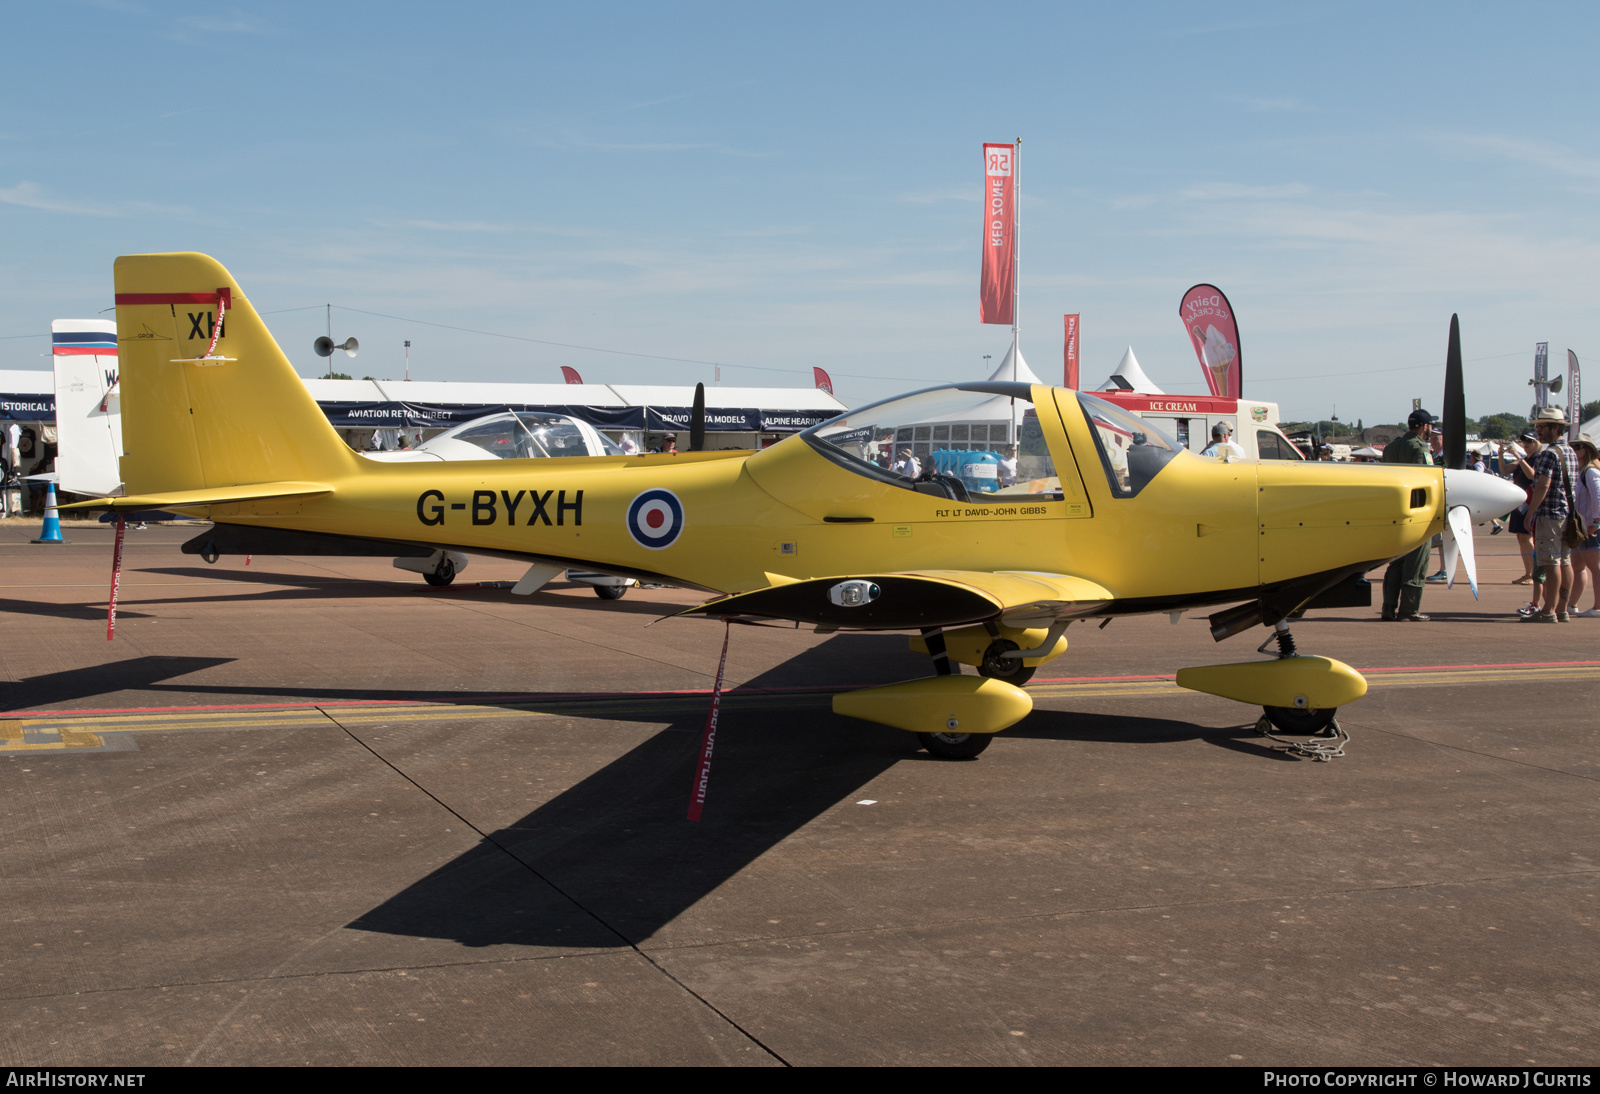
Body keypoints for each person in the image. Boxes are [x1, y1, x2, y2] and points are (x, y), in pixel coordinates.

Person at [1521, 406, 1580, 623]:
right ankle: (1562, 608)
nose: (1539, 431)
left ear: (1554, 428)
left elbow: (1542, 485)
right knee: (1565, 561)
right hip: (1566, 514)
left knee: (1551, 562)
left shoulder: (1548, 454)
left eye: (1543, 427)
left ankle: (1549, 610)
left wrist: (1531, 513)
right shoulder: (1571, 452)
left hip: (1549, 515)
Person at [1380, 407, 1435, 621]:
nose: (1431, 429)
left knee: (1396, 562)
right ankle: (1409, 609)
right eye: (1429, 425)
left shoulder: (1391, 448)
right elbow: (1425, 481)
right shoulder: (1420, 449)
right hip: (1417, 513)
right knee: (1417, 563)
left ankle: (1388, 606)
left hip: (1396, 513)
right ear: (1423, 427)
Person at [1567, 432, 1600, 617]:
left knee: (1595, 567)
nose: (1573, 449)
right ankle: (1572, 605)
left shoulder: (1590, 472)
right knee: (1577, 566)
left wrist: (1597, 521)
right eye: (1572, 446)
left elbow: (1598, 497)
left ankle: (1598, 606)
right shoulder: (1579, 472)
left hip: (1590, 527)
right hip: (1580, 529)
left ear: (1587, 450)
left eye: (1577, 447)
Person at [1501, 433, 1540, 584]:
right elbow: (1504, 469)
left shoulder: (1537, 458)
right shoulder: (1525, 460)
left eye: (1530, 441)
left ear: (1537, 443)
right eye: (1524, 441)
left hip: (1529, 501)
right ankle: (1528, 572)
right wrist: (1500, 455)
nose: (1526, 444)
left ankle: (1532, 574)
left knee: (1526, 538)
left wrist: (1518, 456)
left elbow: (1532, 475)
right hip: (1519, 503)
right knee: (1521, 539)